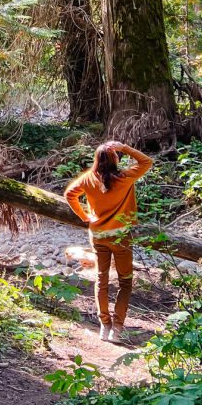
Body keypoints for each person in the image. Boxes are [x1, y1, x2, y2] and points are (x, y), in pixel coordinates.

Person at [64, 141, 153, 344]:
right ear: (116, 159)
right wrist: (125, 148)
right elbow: (147, 161)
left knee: (101, 279)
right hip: (121, 237)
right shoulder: (125, 177)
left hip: (98, 236)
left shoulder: (88, 179)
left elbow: (70, 194)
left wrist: (84, 216)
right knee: (125, 282)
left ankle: (105, 326)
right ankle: (117, 328)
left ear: (96, 160)